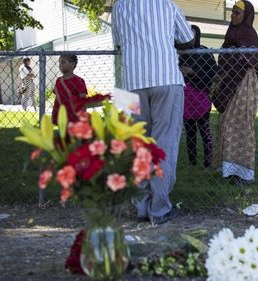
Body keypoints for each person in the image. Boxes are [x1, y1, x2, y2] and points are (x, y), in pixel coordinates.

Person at [112, 0, 194, 224]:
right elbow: (188, 39)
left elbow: (119, 44)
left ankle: (141, 208)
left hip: (131, 83)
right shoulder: (168, 5)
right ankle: (159, 209)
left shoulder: (119, 7)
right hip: (166, 78)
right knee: (163, 144)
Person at [213, 0, 258, 186]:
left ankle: (244, 174)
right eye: (232, 12)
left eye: (237, 12)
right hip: (228, 83)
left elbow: (246, 60)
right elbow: (227, 58)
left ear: (246, 15)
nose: (233, 15)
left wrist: (233, 57)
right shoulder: (230, 33)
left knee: (241, 126)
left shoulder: (249, 34)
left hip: (244, 84)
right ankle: (229, 170)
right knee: (225, 125)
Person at [179, 25, 217, 168]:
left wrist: (192, 72)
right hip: (187, 100)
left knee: (205, 132)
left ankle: (207, 162)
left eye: (193, 34)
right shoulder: (183, 53)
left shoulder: (204, 52)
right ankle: (192, 163)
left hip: (201, 99)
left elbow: (212, 73)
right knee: (190, 134)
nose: (190, 37)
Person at [51, 55, 88, 125]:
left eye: (63, 62)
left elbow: (83, 101)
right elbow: (57, 98)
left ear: (72, 64)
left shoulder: (79, 81)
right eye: (59, 63)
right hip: (60, 114)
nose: (60, 65)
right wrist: (54, 113)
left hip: (73, 116)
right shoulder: (58, 80)